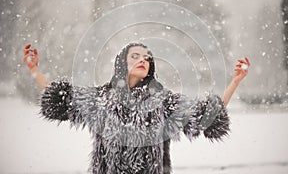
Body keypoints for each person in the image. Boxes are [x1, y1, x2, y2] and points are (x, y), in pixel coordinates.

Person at [23, 42, 250, 174]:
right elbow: (59, 100)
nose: (143, 60)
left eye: (147, 58)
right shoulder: (101, 98)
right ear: (123, 63)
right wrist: (34, 69)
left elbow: (207, 115)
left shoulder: (163, 101)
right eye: (136, 56)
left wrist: (235, 81)